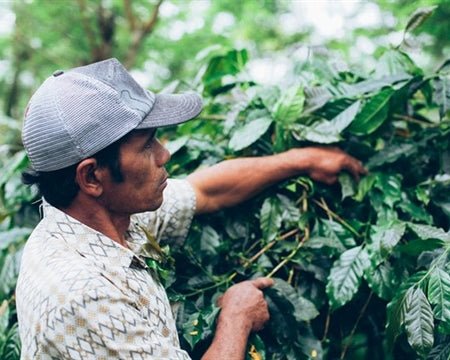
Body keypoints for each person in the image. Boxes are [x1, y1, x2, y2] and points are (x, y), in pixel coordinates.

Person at [16, 58, 366, 360]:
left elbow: (208, 190)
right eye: (147, 144)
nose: (164, 154)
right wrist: (236, 318)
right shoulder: (82, 295)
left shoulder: (105, 217)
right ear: (92, 176)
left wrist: (302, 160)